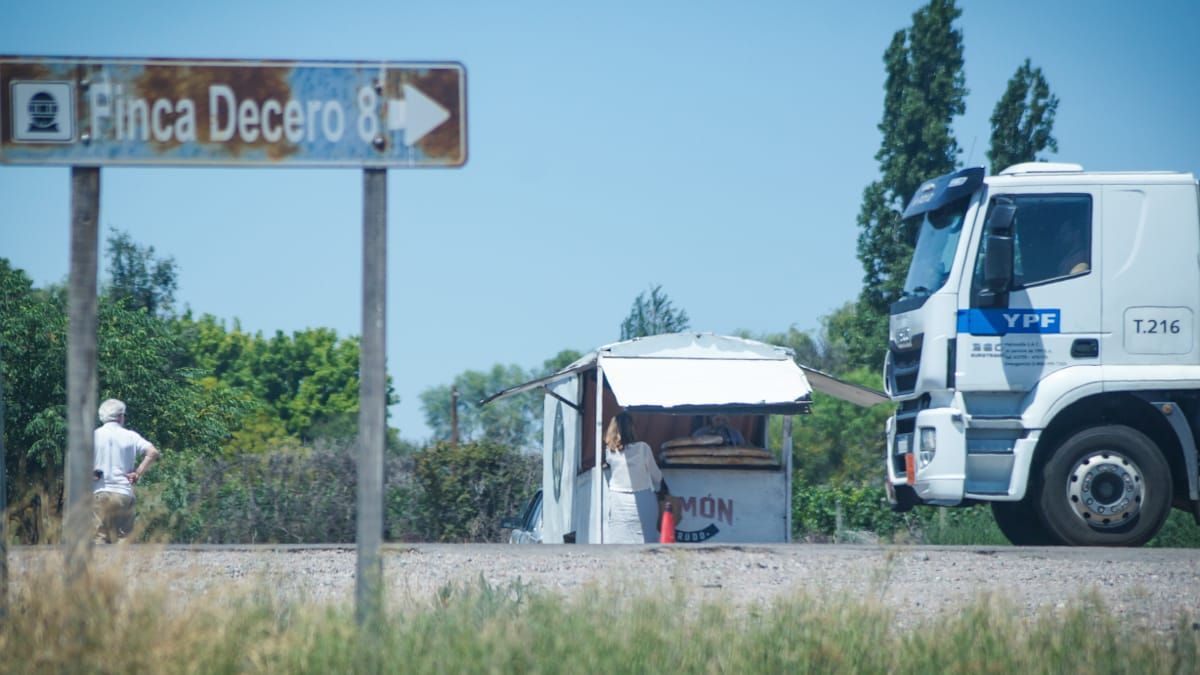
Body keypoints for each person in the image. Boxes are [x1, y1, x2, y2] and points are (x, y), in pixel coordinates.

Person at [93, 398, 160, 543]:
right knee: (123, 540)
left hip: (100, 491)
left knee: (99, 538)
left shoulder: (93, 435)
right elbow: (153, 452)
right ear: (120, 416)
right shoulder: (131, 436)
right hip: (123, 492)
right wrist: (137, 472)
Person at [603, 412, 663, 543]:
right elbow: (657, 477)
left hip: (617, 500)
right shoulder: (643, 448)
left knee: (619, 540)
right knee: (646, 540)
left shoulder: (609, 451)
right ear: (631, 428)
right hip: (643, 498)